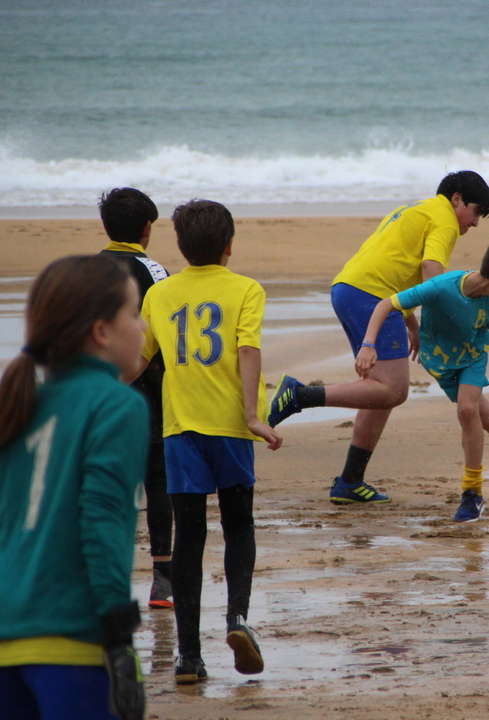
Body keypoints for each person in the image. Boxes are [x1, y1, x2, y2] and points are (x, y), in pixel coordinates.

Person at [0, 255, 148, 720]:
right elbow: (100, 521)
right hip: (74, 646)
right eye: (134, 313)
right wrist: (119, 637)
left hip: (0, 643)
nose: (143, 325)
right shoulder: (119, 404)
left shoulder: (22, 402)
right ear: (101, 332)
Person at [266, 170, 489, 504]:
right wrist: (445, 321)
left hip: (350, 289)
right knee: (394, 389)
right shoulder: (444, 220)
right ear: (457, 199)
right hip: (371, 297)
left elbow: (394, 268)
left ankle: (350, 482)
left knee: (380, 393)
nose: (474, 223)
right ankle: (300, 395)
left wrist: (411, 324)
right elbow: (432, 272)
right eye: (475, 212)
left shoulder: (415, 210)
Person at [134, 199, 282, 685]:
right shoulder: (247, 289)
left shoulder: (160, 294)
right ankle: (237, 619)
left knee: (189, 537)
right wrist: (252, 416)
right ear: (229, 245)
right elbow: (247, 348)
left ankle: (188, 657)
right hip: (231, 429)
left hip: (181, 431)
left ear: (180, 246)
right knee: (238, 524)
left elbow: (137, 361)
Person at [356, 238, 489, 522]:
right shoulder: (440, 287)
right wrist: (368, 345)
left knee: (467, 410)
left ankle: (472, 493)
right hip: (441, 362)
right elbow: (386, 305)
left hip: (473, 357)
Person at [97, 187, 175, 610]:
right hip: (145, 390)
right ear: (147, 228)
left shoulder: (85, 270)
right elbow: (166, 326)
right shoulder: (153, 270)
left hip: (96, 389)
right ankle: (162, 580)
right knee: (156, 480)